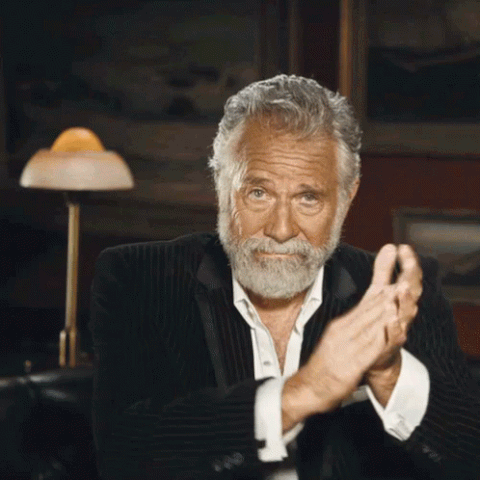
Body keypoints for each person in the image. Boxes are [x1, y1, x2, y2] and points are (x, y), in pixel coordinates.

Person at [89, 75, 480, 480]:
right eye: (258, 193)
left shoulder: (396, 294)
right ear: (221, 185)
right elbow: (123, 455)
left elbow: (469, 457)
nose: (280, 229)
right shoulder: (141, 278)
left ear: (346, 198)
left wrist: (389, 373)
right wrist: (300, 394)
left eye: (308, 198)